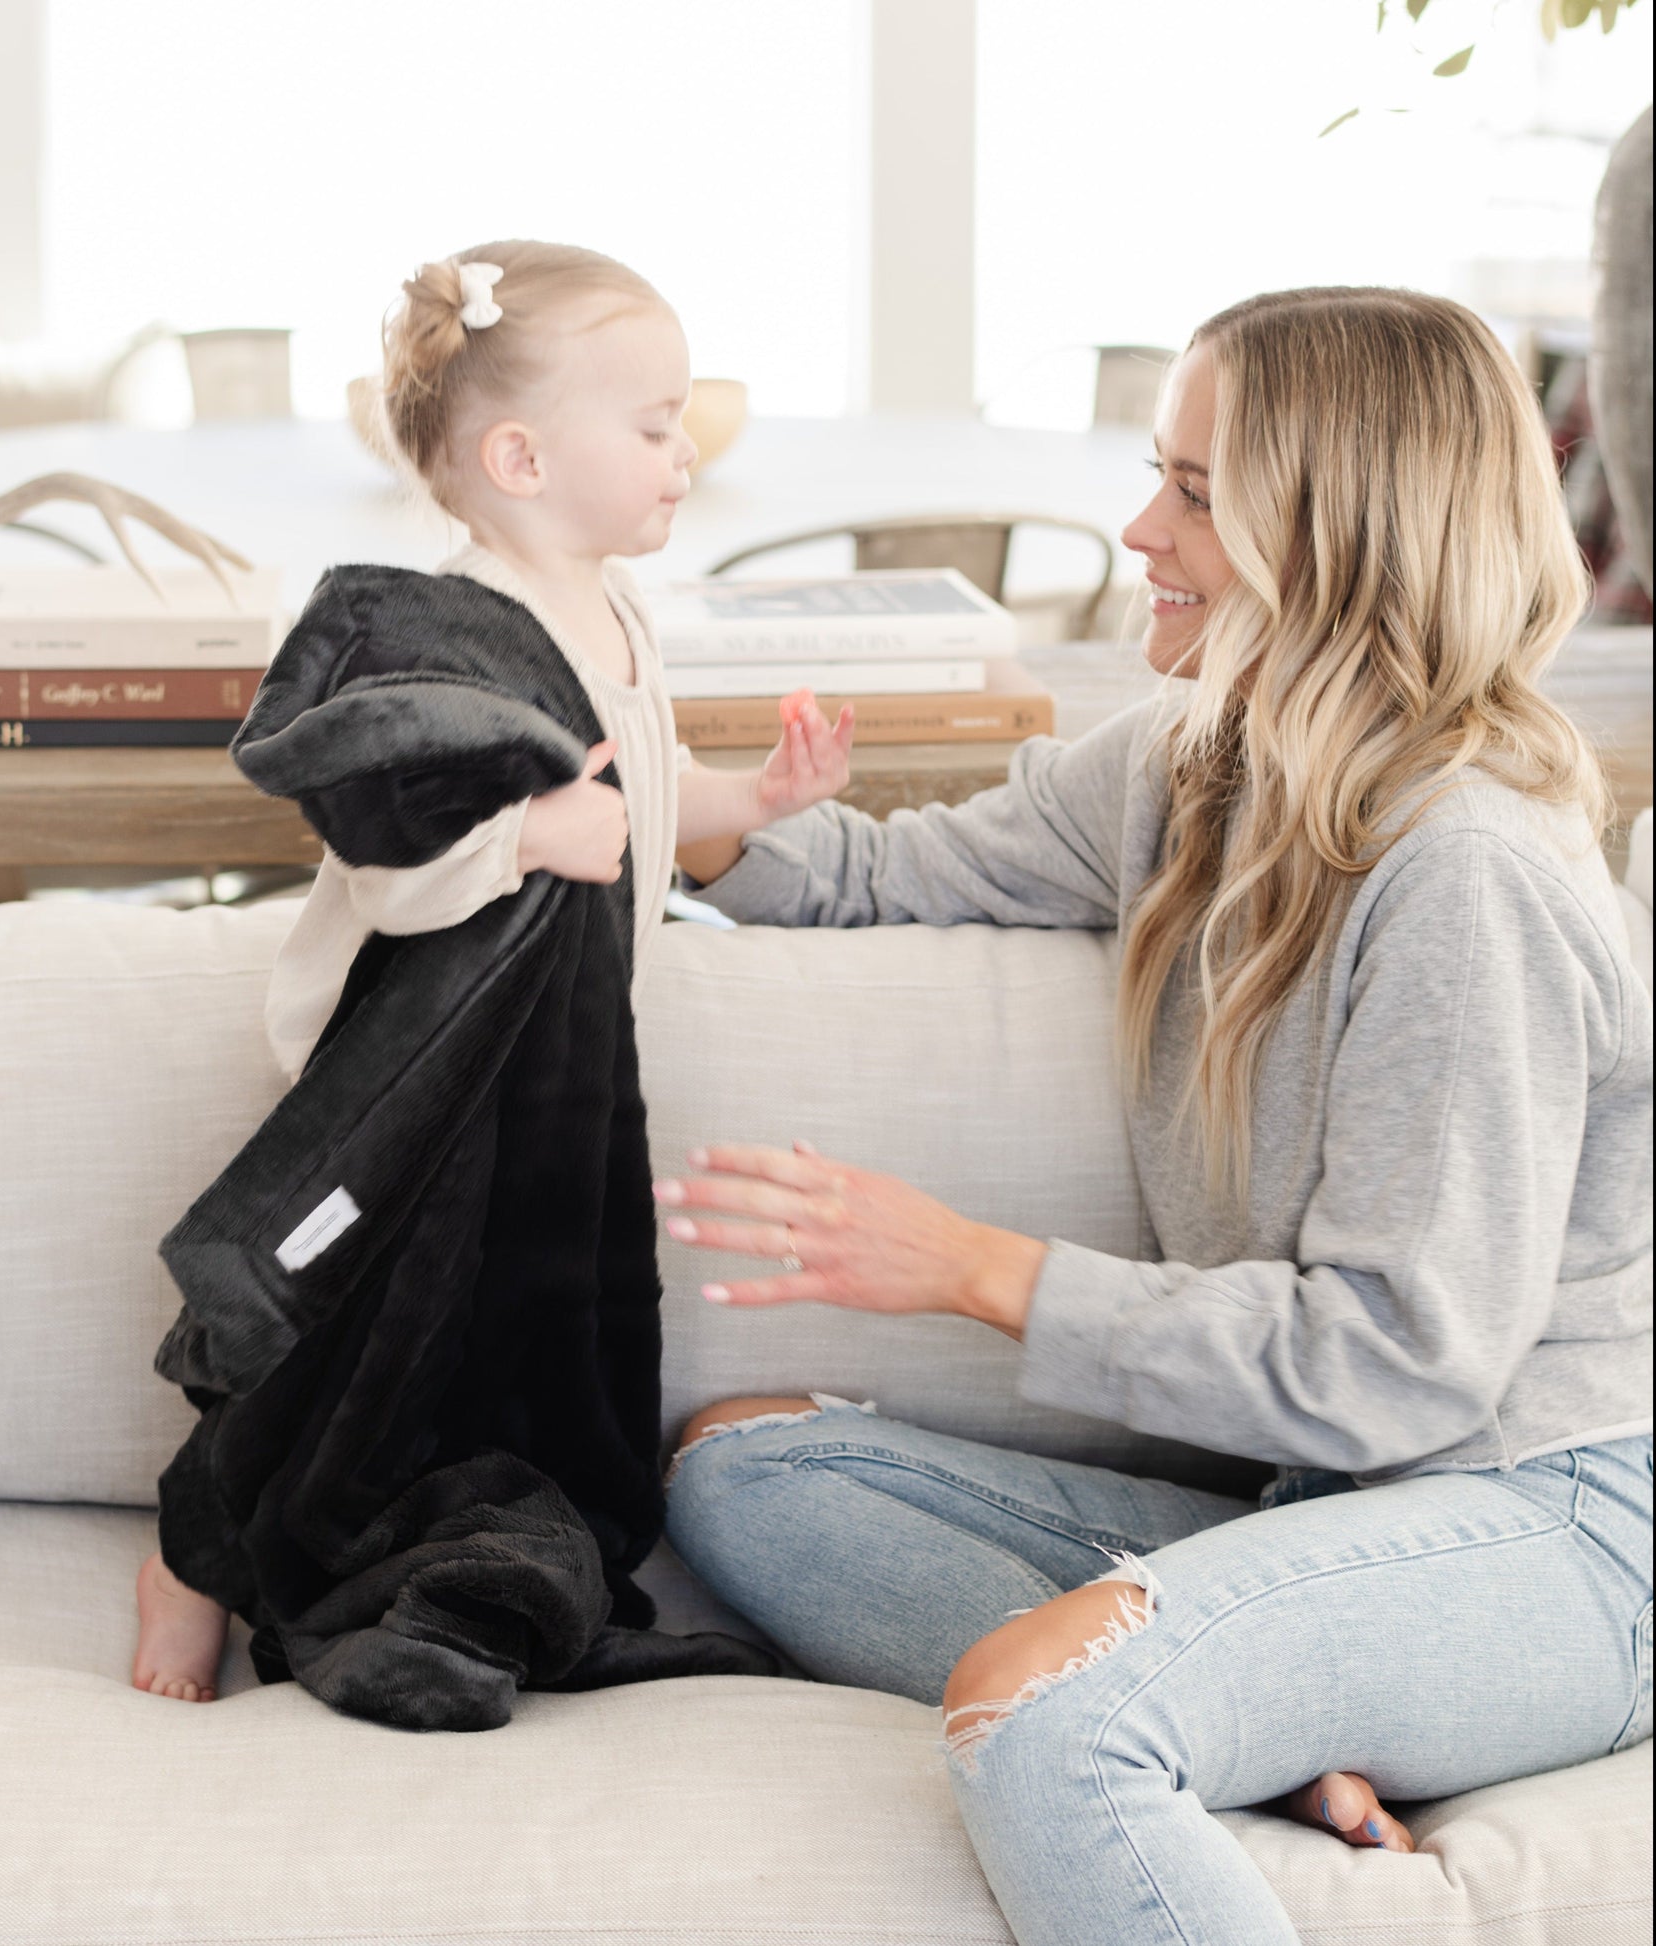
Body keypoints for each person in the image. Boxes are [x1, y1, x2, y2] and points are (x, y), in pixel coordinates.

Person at [659, 287, 1653, 1946]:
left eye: (1194, 491)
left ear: (1333, 530)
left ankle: (1215, 1702)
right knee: (743, 1467)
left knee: (1044, 1714)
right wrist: (653, 790)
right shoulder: (1192, 769)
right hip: (1335, 1513)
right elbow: (882, 872)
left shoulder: (1466, 874)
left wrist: (979, 1268)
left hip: (1558, 1521)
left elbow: (1402, 1359)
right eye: (1158, 475)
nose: (1139, 529)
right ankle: (1264, 1725)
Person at [132, 239, 854, 1704]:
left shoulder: (614, 613)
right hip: (424, 1077)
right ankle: (195, 1554)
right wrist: (524, 827)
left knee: (494, 1339)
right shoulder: (434, 632)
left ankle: (476, 1551)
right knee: (342, 1329)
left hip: (555, 1072)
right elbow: (389, 855)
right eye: (652, 427)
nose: (682, 456)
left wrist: (755, 805)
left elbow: (643, 800)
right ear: (520, 455)